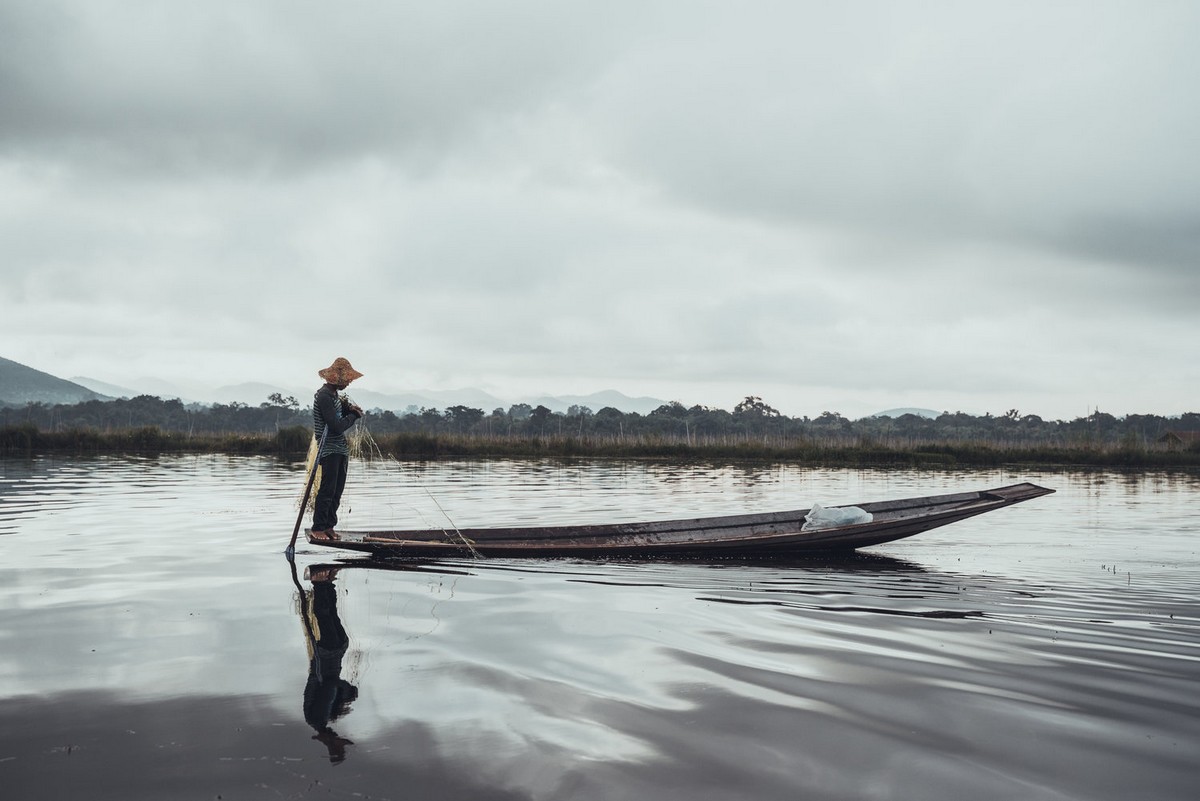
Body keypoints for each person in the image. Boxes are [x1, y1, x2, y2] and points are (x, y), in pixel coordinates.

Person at [311, 357, 365, 541]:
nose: (348, 383)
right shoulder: (324, 396)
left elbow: (340, 413)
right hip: (329, 449)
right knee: (327, 489)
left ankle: (329, 526)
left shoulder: (335, 396)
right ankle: (318, 528)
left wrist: (349, 408)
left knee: (337, 490)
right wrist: (353, 416)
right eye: (347, 380)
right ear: (338, 378)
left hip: (340, 449)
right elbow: (336, 426)